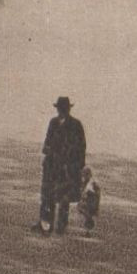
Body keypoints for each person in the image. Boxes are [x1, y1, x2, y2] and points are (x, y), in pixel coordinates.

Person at [36, 96, 87, 236]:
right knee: (47, 195)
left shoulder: (76, 125)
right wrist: (47, 151)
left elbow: (81, 146)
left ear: (68, 109)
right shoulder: (53, 123)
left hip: (68, 167)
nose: (61, 111)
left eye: (63, 109)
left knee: (64, 197)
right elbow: (47, 141)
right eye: (60, 109)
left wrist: (78, 166)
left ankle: (61, 225)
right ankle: (45, 223)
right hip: (52, 165)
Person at [78, 165, 102, 235]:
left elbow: (97, 193)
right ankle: (87, 230)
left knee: (88, 215)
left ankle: (88, 230)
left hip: (91, 203)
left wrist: (97, 205)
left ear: (89, 175)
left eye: (85, 175)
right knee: (86, 215)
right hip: (86, 202)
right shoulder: (84, 183)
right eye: (83, 175)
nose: (84, 177)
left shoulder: (93, 183)